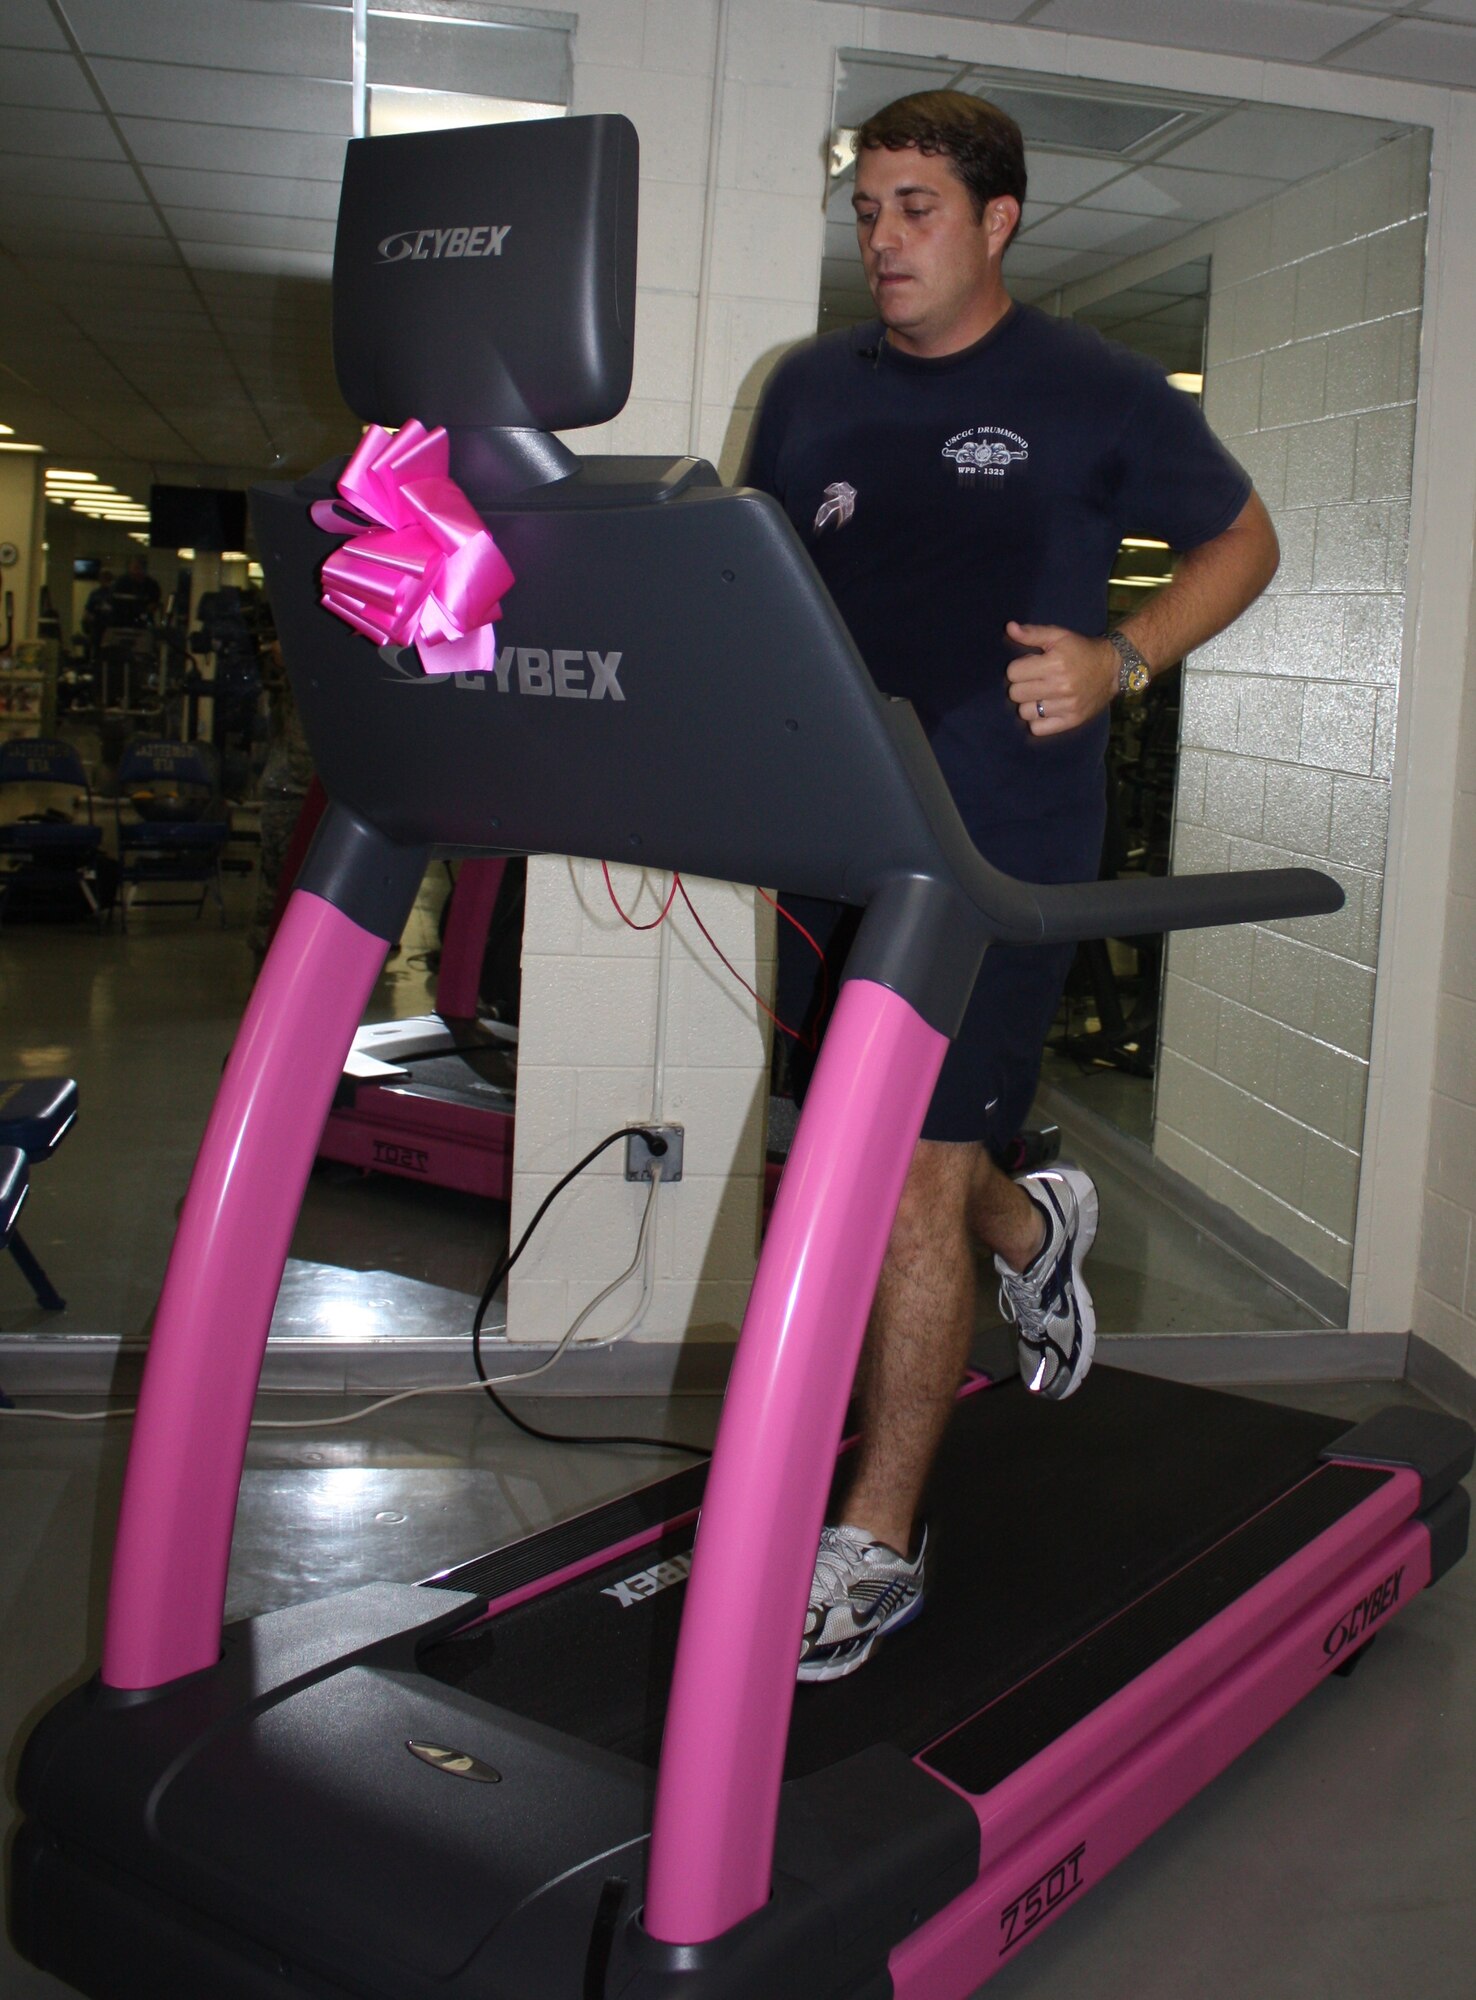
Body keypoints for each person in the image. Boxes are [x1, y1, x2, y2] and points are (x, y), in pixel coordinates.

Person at [741, 91, 1280, 1682]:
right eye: (870, 210)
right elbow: (765, 578)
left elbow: (1246, 540)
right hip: (832, 842)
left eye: (918, 208)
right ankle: (1031, 1226)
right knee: (854, 1159)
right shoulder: (805, 394)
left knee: (904, 1175)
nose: (886, 239)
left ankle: (880, 1535)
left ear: (999, 222)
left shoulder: (1097, 390)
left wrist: (1126, 657)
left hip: (997, 846)